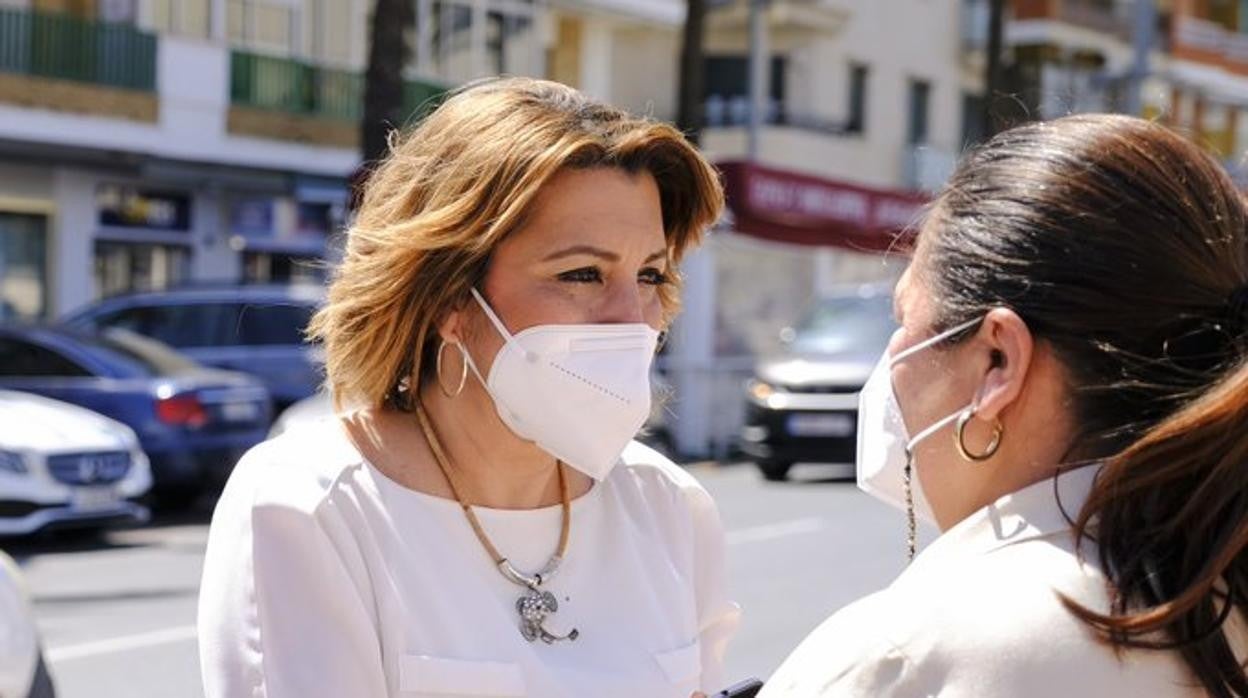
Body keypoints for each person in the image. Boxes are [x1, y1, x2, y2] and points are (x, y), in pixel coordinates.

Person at [197, 77, 740, 698]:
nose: (632, 319)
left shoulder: (668, 505)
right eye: (582, 274)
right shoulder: (309, 506)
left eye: (649, 275)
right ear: (449, 296)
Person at [761, 114, 1248, 697]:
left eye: (903, 321)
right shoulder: (1220, 605)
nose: (889, 359)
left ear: (999, 362)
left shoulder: (913, 654)